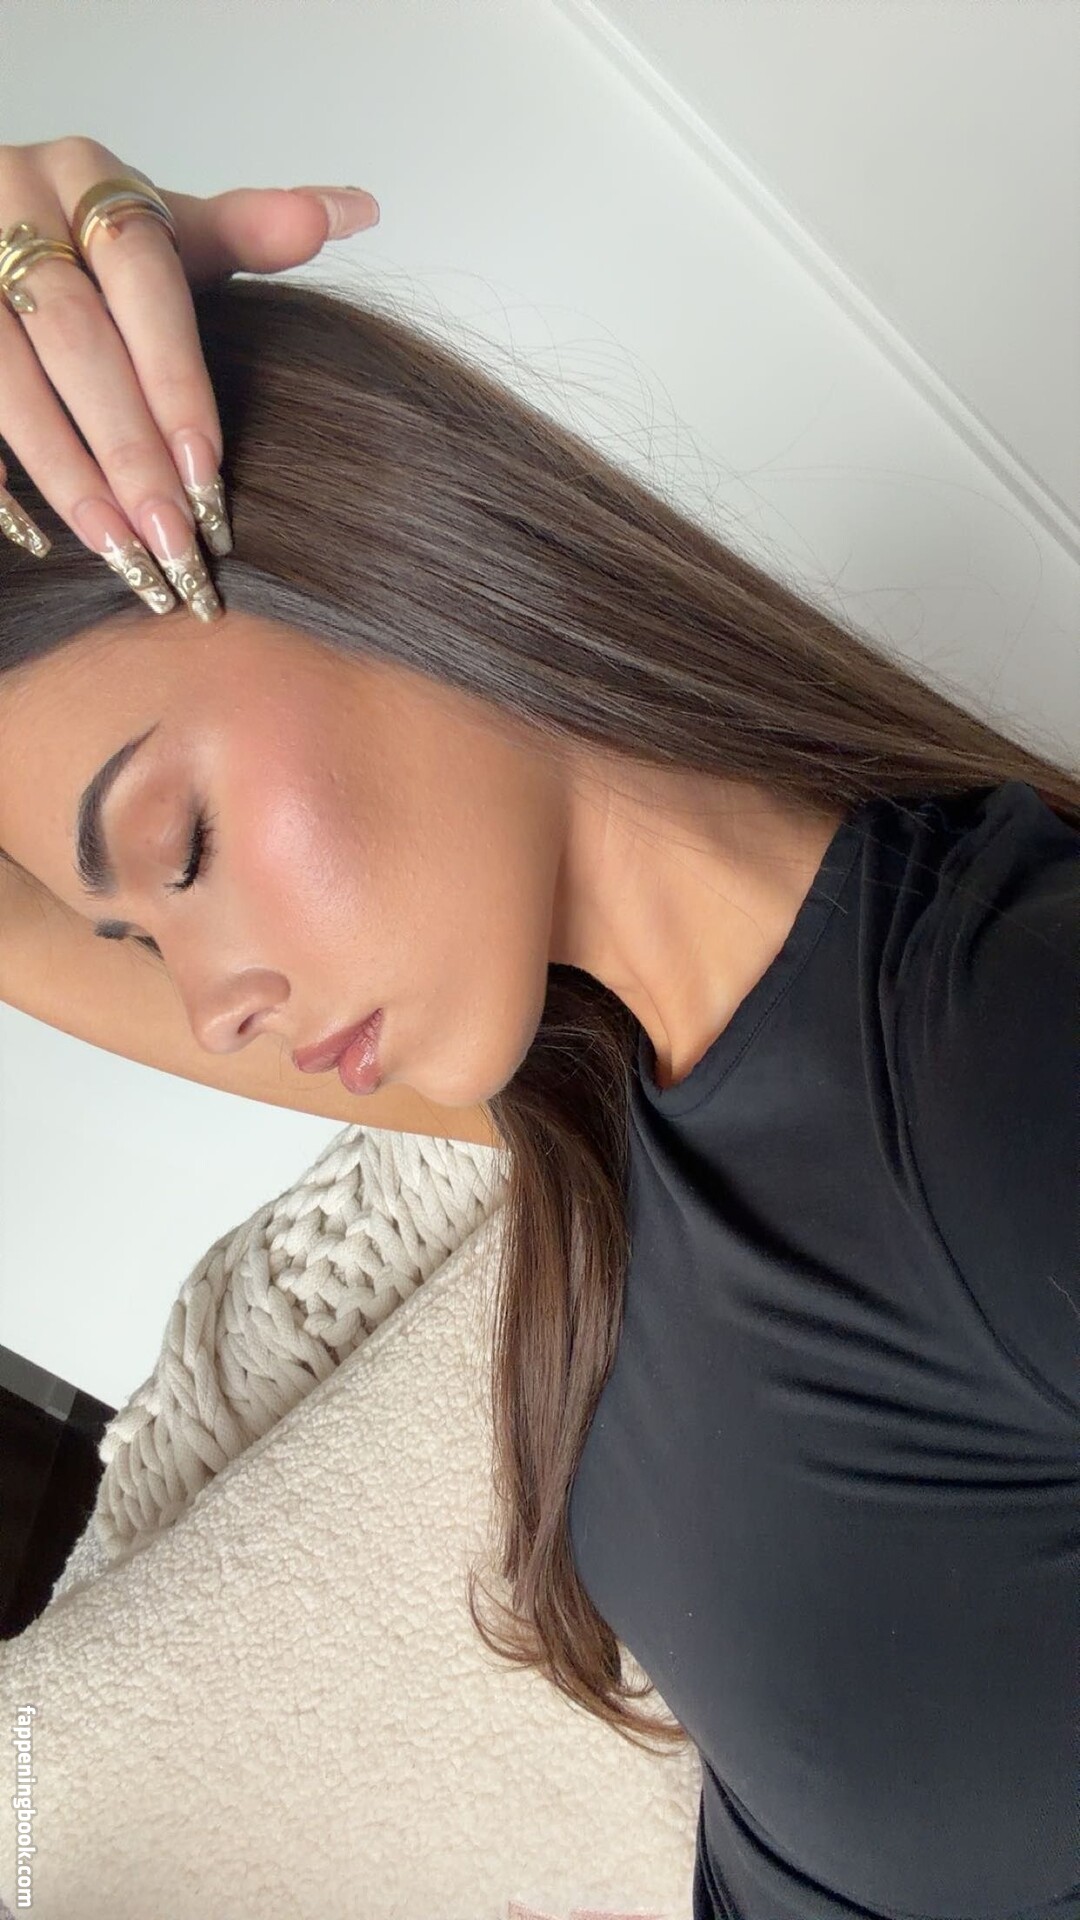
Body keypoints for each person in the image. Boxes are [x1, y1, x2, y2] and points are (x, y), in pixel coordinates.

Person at [0, 136, 1077, 1920]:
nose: (209, 1001)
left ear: (385, 560)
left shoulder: (1002, 1060)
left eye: (180, 850)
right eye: (143, 930)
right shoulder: (601, 1091)